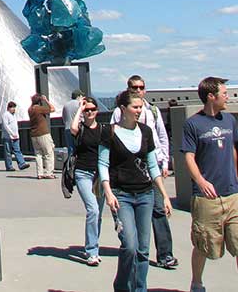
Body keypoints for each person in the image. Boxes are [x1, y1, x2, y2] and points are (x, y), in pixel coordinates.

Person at [99, 88, 172, 292]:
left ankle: (140, 288)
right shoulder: (110, 132)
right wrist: (108, 192)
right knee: (129, 245)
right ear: (123, 108)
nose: (139, 110)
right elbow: (102, 163)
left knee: (143, 248)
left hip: (145, 194)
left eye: (141, 107)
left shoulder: (145, 132)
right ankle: (122, 286)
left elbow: (152, 166)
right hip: (121, 195)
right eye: (135, 107)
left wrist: (164, 195)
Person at [111, 74, 178, 269]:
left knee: (159, 210)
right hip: (130, 171)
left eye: (141, 87)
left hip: (152, 166)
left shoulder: (153, 111)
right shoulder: (119, 112)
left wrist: (164, 161)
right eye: (134, 87)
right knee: (138, 215)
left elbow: (161, 137)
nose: (138, 90)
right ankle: (134, 249)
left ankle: (165, 254)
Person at [181, 75, 238, 292]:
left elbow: (232, 149)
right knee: (204, 244)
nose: (228, 97)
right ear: (211, 96)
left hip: (232, 194)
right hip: (207, 198)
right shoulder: (193, 124)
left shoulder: (230, 120)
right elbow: (188, 156)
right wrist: (201, 181)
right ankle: (197, 283)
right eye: (225, 93)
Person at [70, 95, 105, 266]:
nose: (90, 112)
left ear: (97, 111)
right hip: (83, 173)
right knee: (93, 210)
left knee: (98, 214)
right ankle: (91, 251)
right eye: (87, 110)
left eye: (92, 109)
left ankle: (93, 247)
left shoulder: (104, 130)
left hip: (100, 176)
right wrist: (79, 109)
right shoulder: (81, 128)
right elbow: (72, 128)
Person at [28, 93, 56, 179]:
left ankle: (39, 173)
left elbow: (32, 105)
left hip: (34, 134)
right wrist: (46, 100)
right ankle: (48, 172)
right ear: (39, 101)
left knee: (38, 154)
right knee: (49, 153)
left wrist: (33, 100)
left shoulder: (30, 109)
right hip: (43, 133)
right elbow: (53, 109)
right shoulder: (39, 109)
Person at [2, 101, 30, 171]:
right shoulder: (5, 115)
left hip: (15, 136)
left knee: (17, 150)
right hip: (7, 137)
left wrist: (16, 134)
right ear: (8, 108)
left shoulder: (14, 115)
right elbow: (6, 126)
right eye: (12, 108)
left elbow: (15, 126)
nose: (14, 109)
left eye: (14, 108)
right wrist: (11, 133)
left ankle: (22, 163)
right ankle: (9, 166)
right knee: (8, 152)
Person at [62, 89, 84, 156]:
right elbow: (82, 118)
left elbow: (64, 118)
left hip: (67, 128)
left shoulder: (66, 105)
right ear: (79, 96)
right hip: (77, 129)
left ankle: (70, 164)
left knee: (71, 149)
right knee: (80, 148)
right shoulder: (79, 104)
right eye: (81, 96)